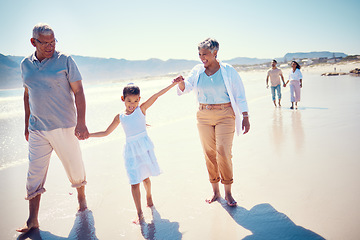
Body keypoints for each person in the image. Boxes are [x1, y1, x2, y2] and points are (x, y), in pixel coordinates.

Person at [17, 23, 89, 233]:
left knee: (75, 167)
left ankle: (82, 199)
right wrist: (27, 124)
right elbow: (27, 94)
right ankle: (32, 220)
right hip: (37, 127)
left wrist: (81, 122)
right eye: (45, 42)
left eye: (53, 41)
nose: (50, 46)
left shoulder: (65, 60)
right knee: (34, 173)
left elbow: (79, 91)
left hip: (64, 125)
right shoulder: (25, 65)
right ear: (33, 42)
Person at [89, 78, 183, 223]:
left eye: (135, 101)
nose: (132, 104)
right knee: (134, 182)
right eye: (129, 101)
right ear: (123, 99)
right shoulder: (120, 117)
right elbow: (106, 132)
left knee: (145, 177)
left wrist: (174, 84)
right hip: (130, 152)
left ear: (139, 99)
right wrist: (88, 135)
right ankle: (139, 214)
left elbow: (157, 95)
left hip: (144, 148)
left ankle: (149, 196)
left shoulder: (142, 110)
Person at [177, 38, 250, 207]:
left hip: (225, 114)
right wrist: (181, 83)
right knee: (209, 153)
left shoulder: (228, 70)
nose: (202, 57)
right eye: (200, 54)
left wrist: (245, 116)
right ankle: (216, 192)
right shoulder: (197, 71)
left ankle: (228, 193)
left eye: (205, 54)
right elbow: (186, 87)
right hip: (203, 115)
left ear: (215, 53)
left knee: (223, 152)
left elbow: (240, 94)